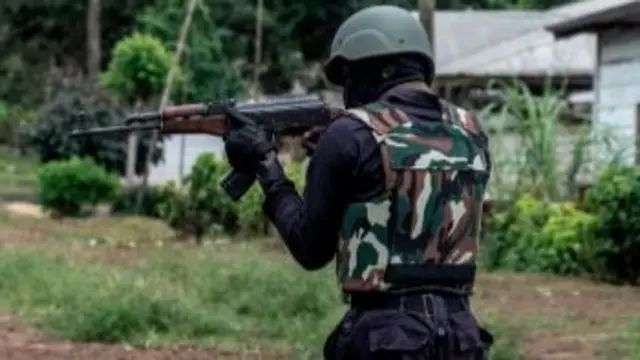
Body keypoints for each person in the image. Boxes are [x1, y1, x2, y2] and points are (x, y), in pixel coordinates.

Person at [222, 5, 493, 359]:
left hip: (386, 339)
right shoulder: (471, 132)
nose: (347, 91)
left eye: (349, 77)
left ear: (375, 71)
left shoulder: (349, 134)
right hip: (461, 336)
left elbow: (309, 247)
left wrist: (267, 166)